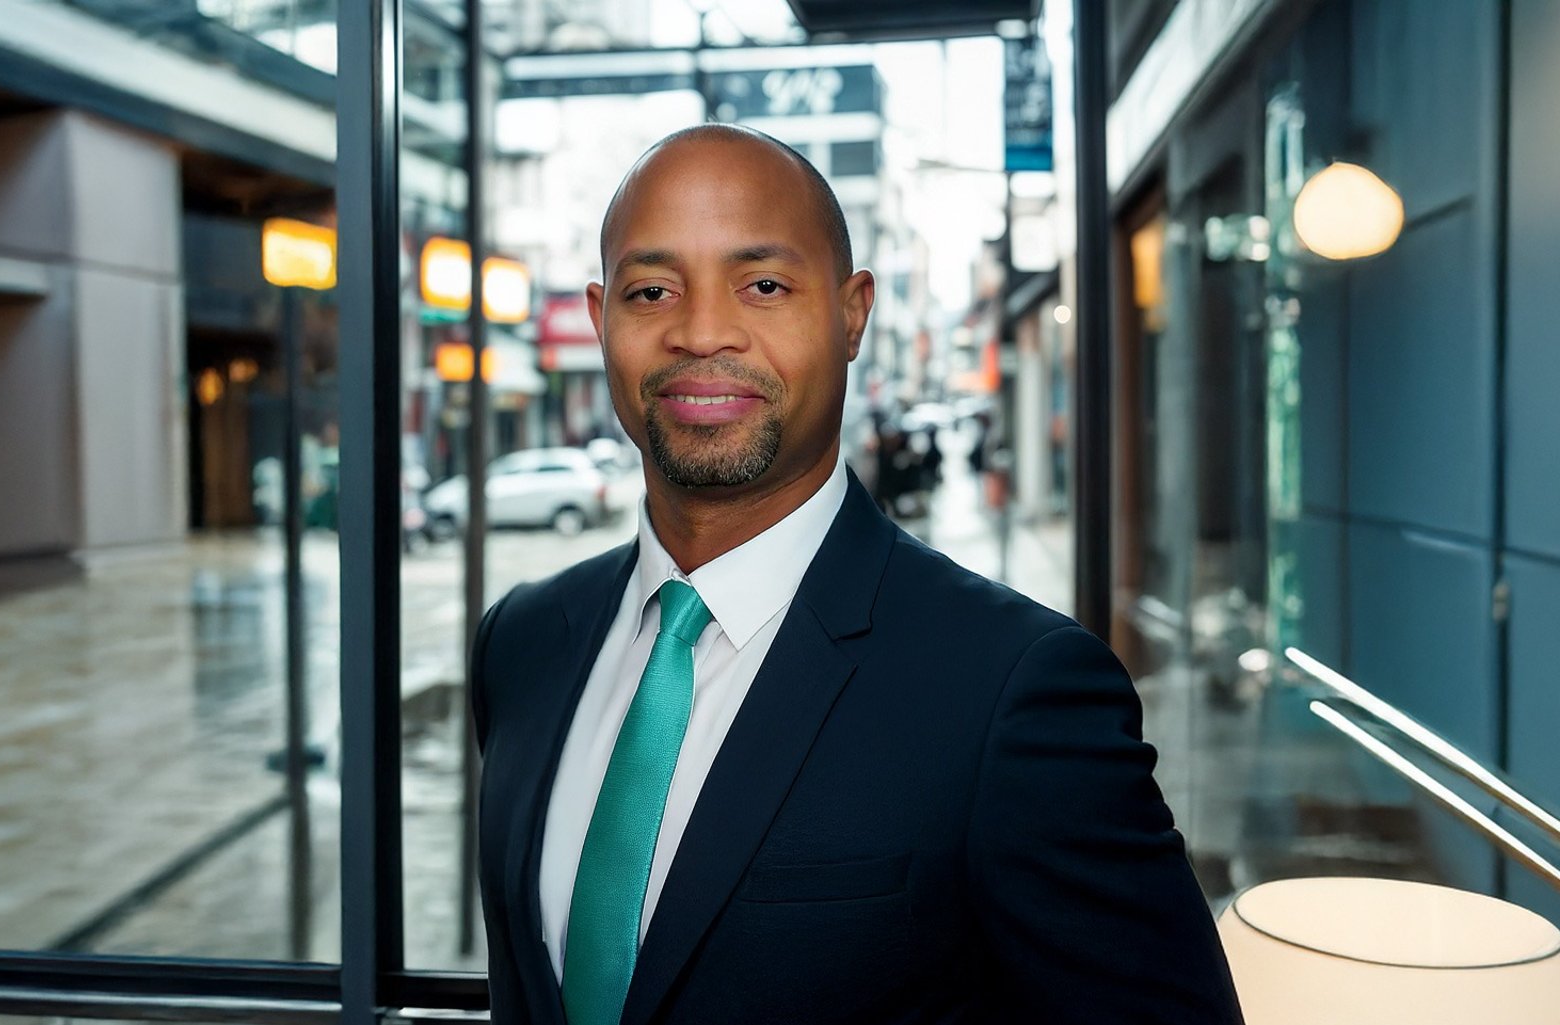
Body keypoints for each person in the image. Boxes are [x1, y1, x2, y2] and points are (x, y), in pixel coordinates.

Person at [469, 124, 1242, 1025]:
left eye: (762, 284)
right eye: (652, 290)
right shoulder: (523, 642)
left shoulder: (1012, 688)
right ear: (602, 318)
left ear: (851, 313)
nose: (702, 330)